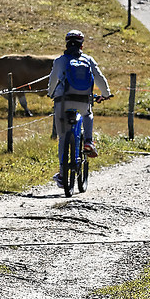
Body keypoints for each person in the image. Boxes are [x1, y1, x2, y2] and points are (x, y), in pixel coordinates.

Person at [47, 29, 111, 183]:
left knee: (63, 137)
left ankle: (63, 175)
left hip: (63, 101)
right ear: (82, 45)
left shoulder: (60, 61)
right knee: (88, 114)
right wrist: (106, 94)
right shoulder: (88, 60)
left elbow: (52, 81)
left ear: (66, 43)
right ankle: (88, 141)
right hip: (83, 100)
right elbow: (100, 78)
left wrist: (50, 94)